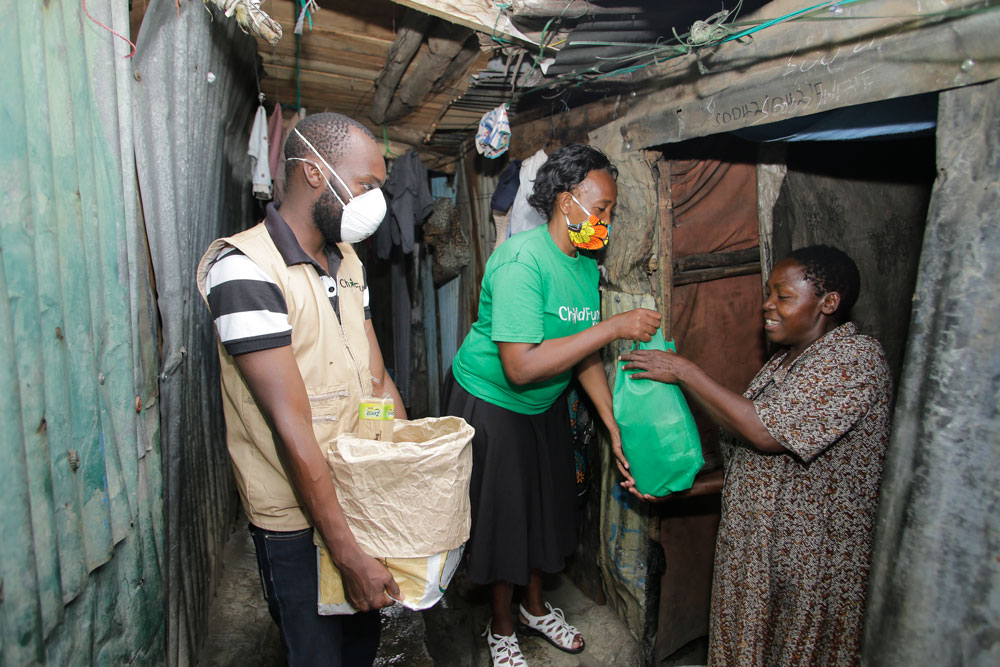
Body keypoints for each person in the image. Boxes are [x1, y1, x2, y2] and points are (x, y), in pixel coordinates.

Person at [196, 112, 406, 666]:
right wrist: (346, 551)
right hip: (296, 519)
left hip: (360, 491)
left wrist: (404, 477)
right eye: (367, 186)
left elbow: (375, 380)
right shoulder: (244, 270)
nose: (376, 203)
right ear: (315, 174)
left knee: (362, 644)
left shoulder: (349, 260)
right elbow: (292, 431)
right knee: (315, 655)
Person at [621, 245, 893, 666]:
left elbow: (765, 433)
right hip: (755, 558)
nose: (767, 304)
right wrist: (679, 492)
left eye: (782, 296)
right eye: (768, 293)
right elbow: (756, 466)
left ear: (829, 302)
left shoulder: (855, 360)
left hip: (811, 569)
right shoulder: (783, 364)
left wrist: (683, 370)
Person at [444, 144, 662, 666]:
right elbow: (520, 366)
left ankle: (534, 608)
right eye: (601, 208)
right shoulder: (521, 262)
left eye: (610, 211)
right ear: (568, 202)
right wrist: (613, 327)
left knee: (544, 508)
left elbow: (581, 354)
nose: (606, 221)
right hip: (495, 402)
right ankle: (501, 627)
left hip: (543, 403)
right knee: (505, 518)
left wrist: (611, 425)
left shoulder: (585, 267)